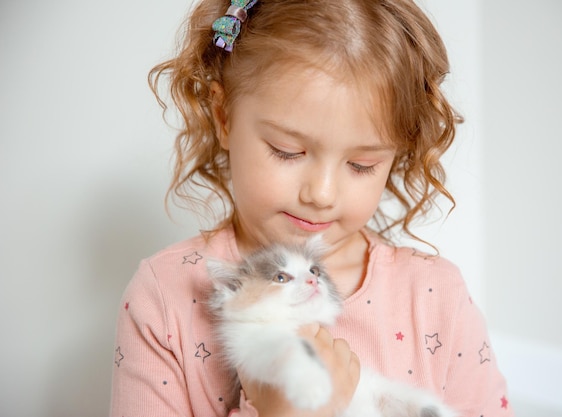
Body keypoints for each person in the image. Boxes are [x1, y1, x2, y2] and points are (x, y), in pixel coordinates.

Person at [109, 0, 513, 416]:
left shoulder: (435, 296)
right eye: (288, 151)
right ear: (224, 116)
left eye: (361, 164)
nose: (321, 194)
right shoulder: (164, 294)